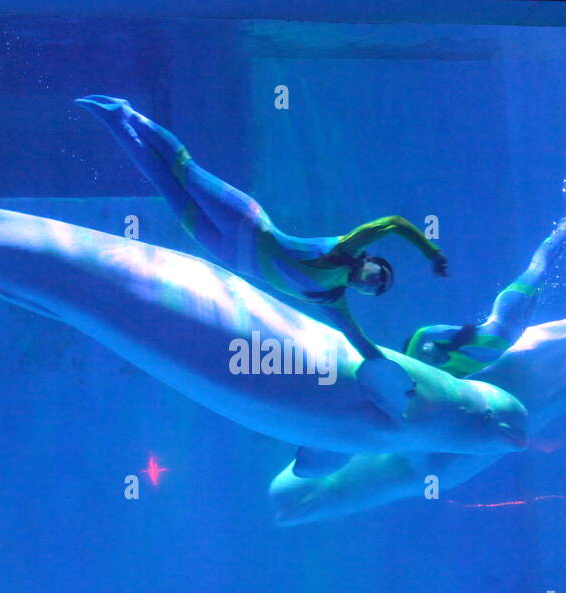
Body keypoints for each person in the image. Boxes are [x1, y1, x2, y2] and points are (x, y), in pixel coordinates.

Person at [76, 94, 448, 410]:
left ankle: (114, 122)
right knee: (185, 171)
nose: (372, 284)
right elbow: (394, 223)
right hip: (246, 224)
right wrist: (429, 252)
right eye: (378, 275)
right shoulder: (341, 250)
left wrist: (403, 388)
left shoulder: (331, 298)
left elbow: (362, 344)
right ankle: (130, 113)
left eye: (376, 289)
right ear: (368, 260)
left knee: (164, 184)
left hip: (226, 251)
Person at [403, 209, 566, 378]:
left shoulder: (455, 340)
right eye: (424, 356)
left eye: (424, 351)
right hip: (519, 327)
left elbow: (422, 333)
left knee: (538, 269)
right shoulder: (451, 374)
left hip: (508, 308)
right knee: (545, 274)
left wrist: (410, 363)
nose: (426, 353)